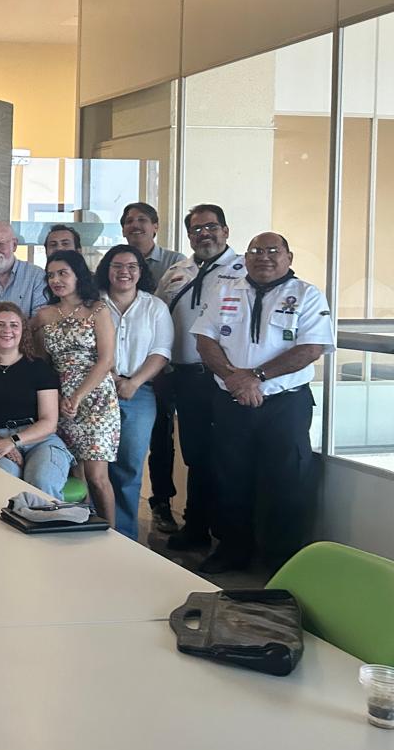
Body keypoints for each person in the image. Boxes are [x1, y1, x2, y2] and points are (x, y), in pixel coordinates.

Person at [193, 232, 334, 574]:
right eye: (256, 251)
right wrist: (234, 379)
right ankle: (232, 551)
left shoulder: (306, 294)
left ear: (289, 257)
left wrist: (255, 376)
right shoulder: (225, 290)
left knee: (286, 481)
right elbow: (204, 340)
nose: (264, 257)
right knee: (229, 478)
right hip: (231, 401)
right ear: (246, 257)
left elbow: (311, 349)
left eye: (273, 250)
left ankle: (281, 562)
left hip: (285, 405)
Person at [154, 204, 244, 551]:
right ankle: (196, 527)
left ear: (226, 231)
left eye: (211, 227)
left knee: (227, 456)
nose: (204, 234)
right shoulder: (178, 271)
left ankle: (229, 535)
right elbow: (158, 316)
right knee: (196, 455)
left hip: (224, 379)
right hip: (186, 377)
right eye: (196, 229)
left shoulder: (243, 271)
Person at [33, 250, 119, 526]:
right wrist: (56, 398)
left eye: (63, 273)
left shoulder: (98, 309)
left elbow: (106, 360)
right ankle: (77, 528)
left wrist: (78, 396)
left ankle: (111, 534)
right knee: (73, 474)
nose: (56, 280)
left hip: (96, 399)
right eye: (51, 275)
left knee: (97, 476)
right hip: (59, 400)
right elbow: (41, 362)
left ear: (78, 275)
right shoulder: (43, 315)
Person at [0, 301, 74, 497]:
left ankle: (48, 517)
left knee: (41, 482)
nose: (7, 330)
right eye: (0, 324)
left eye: (14, 325)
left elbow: (49, 422)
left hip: (39, 440)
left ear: (23, 331)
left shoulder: (39, 368)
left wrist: (13, 441)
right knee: (4, 484)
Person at [96, 245, 173, 541]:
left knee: (129, 466)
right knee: (96, 467)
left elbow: (161, 351)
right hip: (97, 390)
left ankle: (124, 535)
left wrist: (134, 382)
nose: (124, 272)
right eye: (117, 266)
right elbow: (86, 347)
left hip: (139, 393)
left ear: (141, 271)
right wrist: (110, 377)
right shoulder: (94, 304)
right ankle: (93, 529)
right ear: (107, 269)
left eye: (131, 266)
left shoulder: (155, 307)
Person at [121, 202, 184, 288]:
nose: (135, 225)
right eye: (129, 221)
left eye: (142, 220)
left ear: (156, 227)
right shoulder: (114, 263)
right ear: (123, 231)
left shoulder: (175, 261)